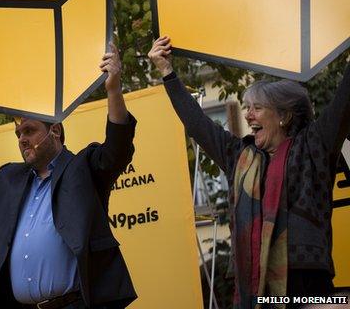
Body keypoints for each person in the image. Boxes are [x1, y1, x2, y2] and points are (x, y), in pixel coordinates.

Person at [0, 43, 137, 308]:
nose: (22, 139)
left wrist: (113, 88)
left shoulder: (83, 167)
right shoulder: (9, 178)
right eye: (18, 134)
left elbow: (118, 149)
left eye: (29, 131)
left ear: (55, 131)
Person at [149, 36, 348, 306]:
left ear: (284, 116)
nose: (247, 115)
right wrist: (166, 71)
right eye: (246, 108)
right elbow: (196, 123)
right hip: (254, 290)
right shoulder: (238, 157)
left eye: (257, 108)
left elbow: (344, 101)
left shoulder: (314, 147)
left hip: (308, 285)